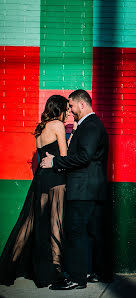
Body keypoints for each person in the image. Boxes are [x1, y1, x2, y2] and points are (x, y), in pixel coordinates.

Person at [40, 89, 110, 290]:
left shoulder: (90, 125)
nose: (69, 110)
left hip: (83, 189)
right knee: (94, 233)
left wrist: (56, 161)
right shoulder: (91, 125)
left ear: (82, 104)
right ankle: (100, 272)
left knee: (75, 232)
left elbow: (84, 157)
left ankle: (77, 278)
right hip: (92, 188)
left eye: (71, 105)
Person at [0, 95, 69, 287]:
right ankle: (56, 270)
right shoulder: (58, 125)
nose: (67, 113)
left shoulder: (40, 129)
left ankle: (9, 266)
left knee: (29, 224)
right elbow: (63, 157)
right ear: (60, 108)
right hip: (56, 179)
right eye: (66, 108)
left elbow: (42, 157)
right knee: (56, 224)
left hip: (40, 179)